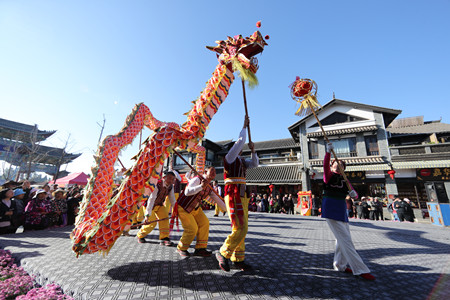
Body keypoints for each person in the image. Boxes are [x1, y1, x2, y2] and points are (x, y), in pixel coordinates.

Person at [321, 142, 375, 280]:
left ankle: (340, 265)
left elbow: (354, 194)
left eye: (341, 166)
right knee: (345, 239)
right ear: (332, 166)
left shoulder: (345, 179)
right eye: (336, 165)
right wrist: (328, 152)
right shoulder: (329, 176)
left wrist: (353, 194)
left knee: (342, 239)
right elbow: (325, 166)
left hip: (341, 209)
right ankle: (360, 269)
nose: (338, 167)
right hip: (331, 208)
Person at [216, 116, 259, 272]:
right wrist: (244, 126)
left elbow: (255, 164)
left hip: (242, 196)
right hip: (233, 194)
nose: (239, 147)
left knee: (241, 228)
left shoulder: (241, 160)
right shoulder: (229, 158)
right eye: (236, 146)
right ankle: (223, 252)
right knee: (241, 227)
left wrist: (253, 150)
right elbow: (240, 141)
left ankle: (238, 258)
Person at [175, 166, 226, 257]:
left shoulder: (210, 186)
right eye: (212, 170)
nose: (214, 173)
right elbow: (187, 192)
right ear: (205, 171)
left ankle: (200, 248)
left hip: (195, 209)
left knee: (205, 223)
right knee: (192, 228)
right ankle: (181, 247)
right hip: (183, 207)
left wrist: (229, 210)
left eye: (215, 171)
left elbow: (217, 199)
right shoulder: (197, 179)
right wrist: (201, 186)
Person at [136, 170, 178, 246]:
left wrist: (176, 211)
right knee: (152, 223)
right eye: (170, 178)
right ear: (164, 177)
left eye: (173, 179)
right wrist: (147, 215)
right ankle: (140, 235)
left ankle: (164, 238)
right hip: (149, 205)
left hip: (159, 205)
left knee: (165, 218)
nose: (171, 181)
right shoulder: (157, 185)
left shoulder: (171, 187)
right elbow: (151, 199)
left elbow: (172, 199)